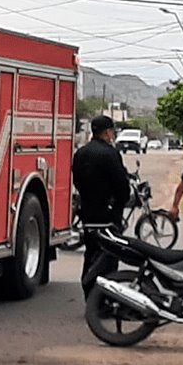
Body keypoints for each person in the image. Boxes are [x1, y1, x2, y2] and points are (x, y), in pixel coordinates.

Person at [72, 115, 132, 299]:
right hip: (108, 214)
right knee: (109, 254)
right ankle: (104, 298)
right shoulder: (110, 153)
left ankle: (89, 292)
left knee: (91, 252)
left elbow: (77, 181)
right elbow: (122, 185)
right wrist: (120, 203)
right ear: (107, 132)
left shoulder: (80, 153)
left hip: (88, 212)